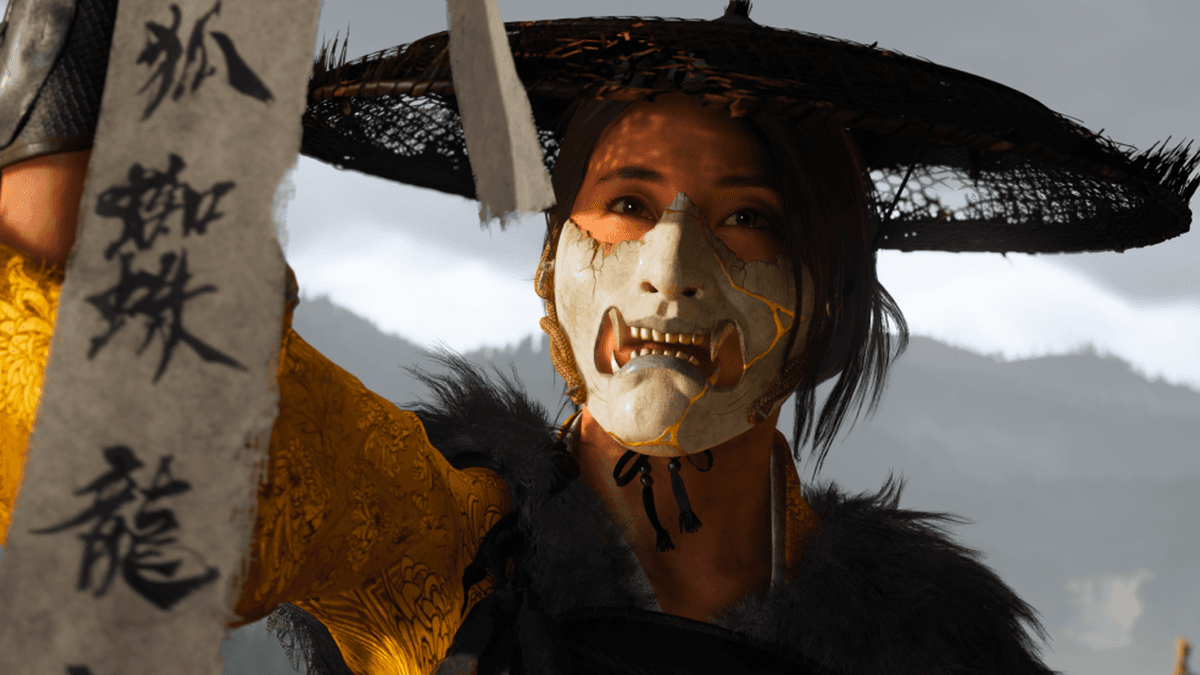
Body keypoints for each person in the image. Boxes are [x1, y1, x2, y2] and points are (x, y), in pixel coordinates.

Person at [2, 1, 1196, 674]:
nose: (669, 267)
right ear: (552, 264)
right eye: (625, 203)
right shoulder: (430, 541)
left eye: (747, 219)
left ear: (825, 296)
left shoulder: (934, 646)